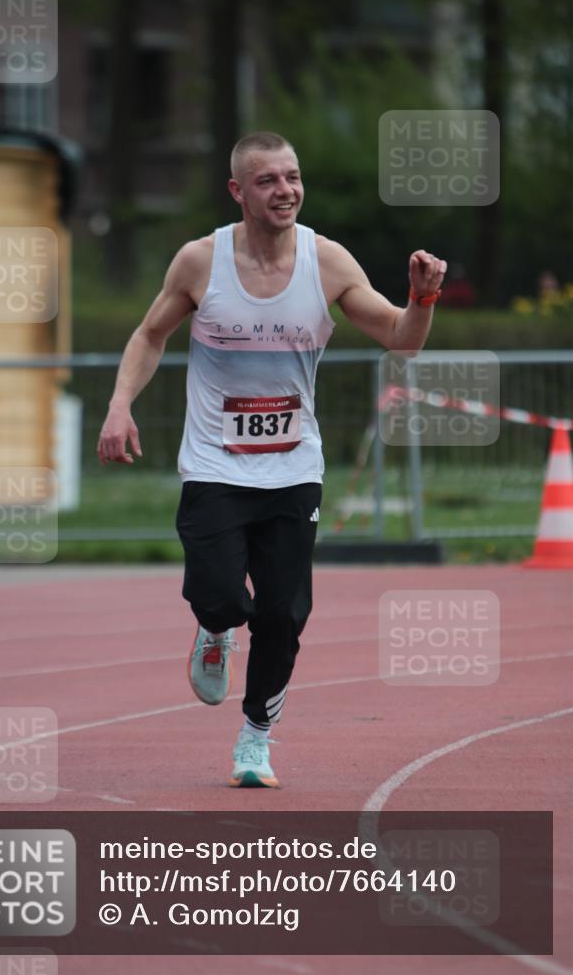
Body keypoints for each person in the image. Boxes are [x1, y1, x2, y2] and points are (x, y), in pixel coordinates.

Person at [97, 131, 446, 788]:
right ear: (237, 191)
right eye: (267, 181)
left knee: (284, 615)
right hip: (214, 467)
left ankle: (254, 738)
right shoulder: (201, 262)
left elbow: (401, 341)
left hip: (293, 469)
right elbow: (149, 334)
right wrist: (120, 405)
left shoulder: (329, 261)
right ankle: (215, 628)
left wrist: (421, 298)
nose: (284, 190)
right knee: (222, 595)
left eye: (292, 176)